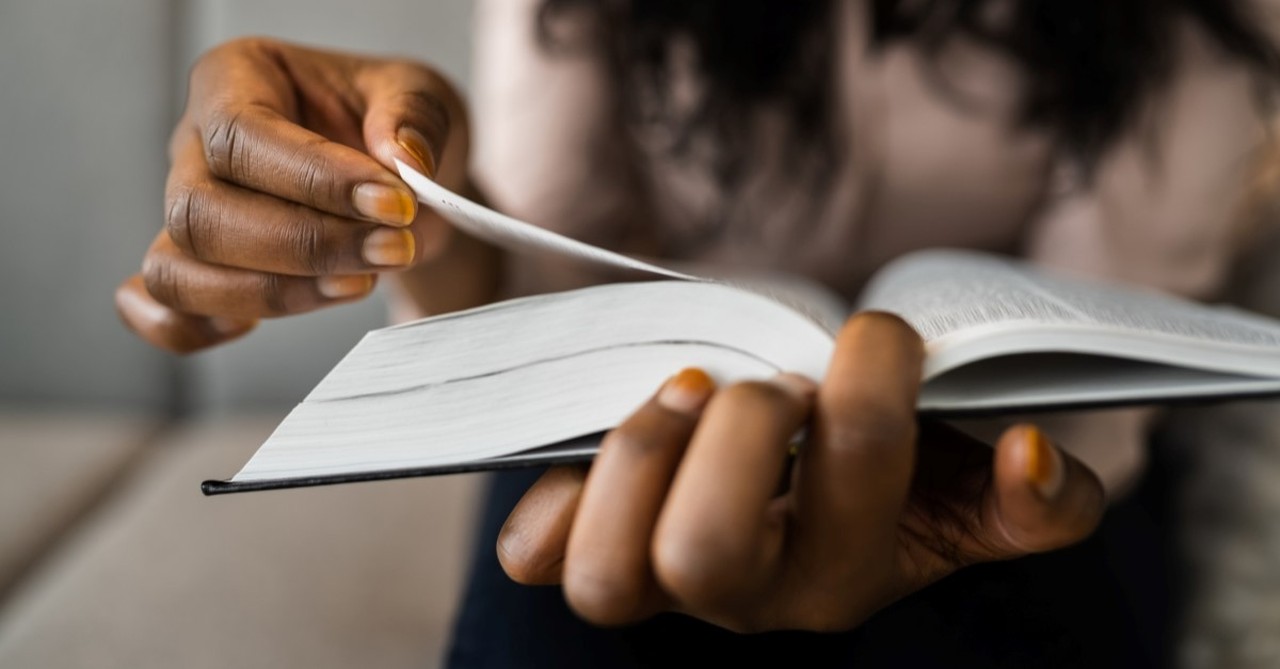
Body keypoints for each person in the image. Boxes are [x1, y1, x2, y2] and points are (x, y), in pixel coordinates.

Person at [115, 0, 1280, 666]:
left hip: (1015, 472)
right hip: (643, 424)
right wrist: (421, 196)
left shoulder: (1195, 30)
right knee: (571, 586)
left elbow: (1089, 381)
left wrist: (898, 483)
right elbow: (549, 308)